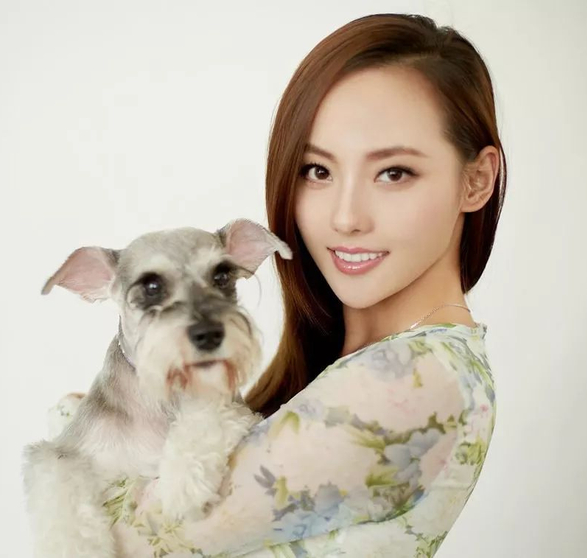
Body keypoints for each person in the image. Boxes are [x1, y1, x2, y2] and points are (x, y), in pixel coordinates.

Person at [86, 12, 505, 557]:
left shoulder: (408, 381)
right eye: (318, 171)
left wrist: (77, 420)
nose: (346, 218)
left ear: (476, 180)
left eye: (394, 172)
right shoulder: (360, 365)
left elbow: (125, 543)